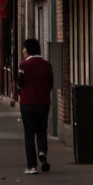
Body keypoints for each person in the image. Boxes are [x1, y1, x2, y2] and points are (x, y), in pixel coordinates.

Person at [17, 38, 54, 174]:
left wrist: (22, 92)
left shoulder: (24, 65)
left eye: (24, 48)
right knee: (41, 131)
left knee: (29, 134)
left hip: (27, 103)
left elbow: (19, 83)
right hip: (43, 103)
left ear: (29, 49)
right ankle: (42, 151)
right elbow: (51, 84)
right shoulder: (47, 65)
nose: (23, 51)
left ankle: (32, 166)